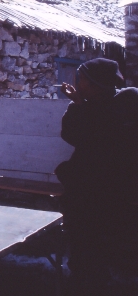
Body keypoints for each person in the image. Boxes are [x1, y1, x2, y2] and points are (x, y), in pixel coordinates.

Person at [56, 58, 138, 295]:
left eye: (83, 79)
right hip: (104, 186)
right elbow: (74, 135)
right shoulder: (97, 104)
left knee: (90, 236)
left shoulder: (125, 102)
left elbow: (90, 137)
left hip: (107, 187)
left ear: (96, 85)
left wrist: (80, 105)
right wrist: (80, 103)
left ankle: (90, 279)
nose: (78, 84)